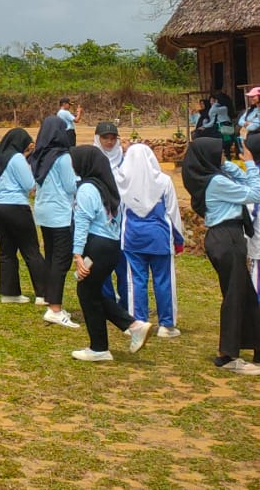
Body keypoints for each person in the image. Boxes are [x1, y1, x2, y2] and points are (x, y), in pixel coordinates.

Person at [183, 136, 260, 373]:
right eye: (219, 153)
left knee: (245, 294)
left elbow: (237, 180)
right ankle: (227, 356)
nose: (224, 154)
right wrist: (250, 165)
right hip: (226, 237)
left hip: (227, 236)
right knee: (235, 296)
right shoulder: (215, 182)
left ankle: (255, 346)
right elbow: (254, 194)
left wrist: (226, 164)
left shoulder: (212, 177)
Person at [68, 146, 151, 362]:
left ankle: (101, 347)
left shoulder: (87, 189)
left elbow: (82, 223)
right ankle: (132, 326)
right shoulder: (106, 187)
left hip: (96, 245)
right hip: (111, 246)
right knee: (92, 292)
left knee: (86, 292)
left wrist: (77, 256)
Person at [117, 143, 184, 337]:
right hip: (159, 238)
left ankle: (138, 322)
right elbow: (173, 212)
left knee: (136, 281)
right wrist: (178, 239)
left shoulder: (122, 182)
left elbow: (118, 212)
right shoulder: (164, 181)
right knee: (163, 280)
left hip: (132, 238)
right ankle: (167, 324)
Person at [31, 116, 81, 328]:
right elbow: (71, 186)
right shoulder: (62, 157)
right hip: (60, 213)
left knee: (51, 258)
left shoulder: (39, 155)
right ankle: (55, 308)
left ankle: (50, 300)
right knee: (61, 261)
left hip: (44, 212)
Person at [0, 128, 46, 303]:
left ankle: (9, 293)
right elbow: (29, 184)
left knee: (7, 251)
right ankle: (43, 293)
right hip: (16, 206)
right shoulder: (17, 158)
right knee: (31, 250)